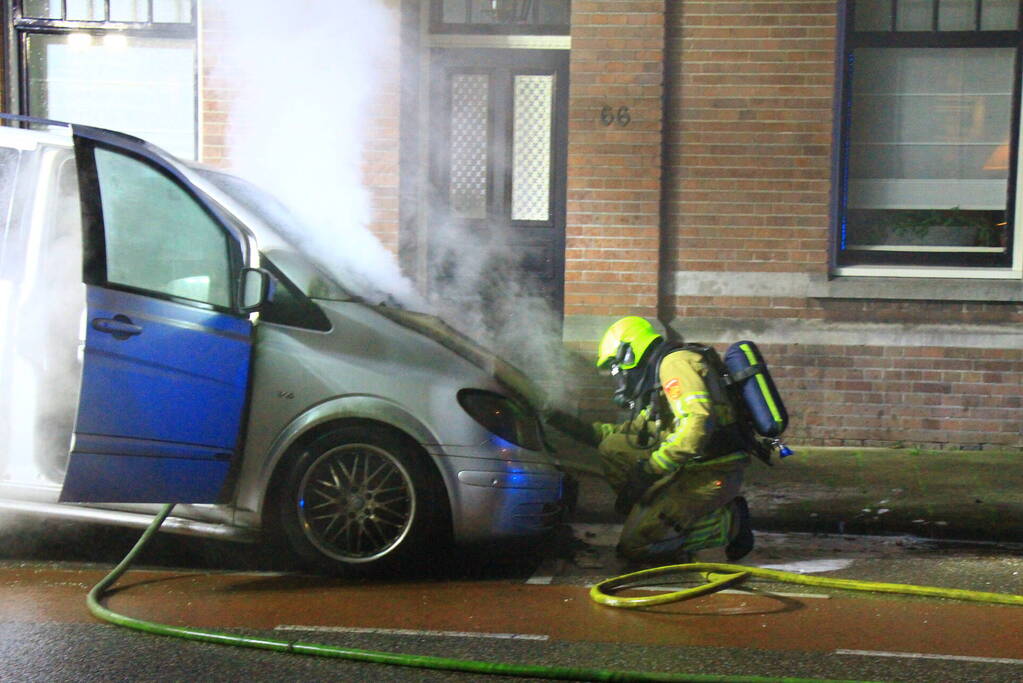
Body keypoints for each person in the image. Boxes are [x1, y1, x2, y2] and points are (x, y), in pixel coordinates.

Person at [593, 316, 754, 564]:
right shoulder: (658, 373)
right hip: (692, 465)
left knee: (635, 549)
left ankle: (727, 521)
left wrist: (651, 470)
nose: (620, 376)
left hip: (712, 471)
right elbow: (640, 431)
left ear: (630, 353)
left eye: (617, 366)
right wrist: (583, 430)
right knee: (613, 448)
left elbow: (697, 423)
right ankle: (657, 513)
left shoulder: (675, 364)